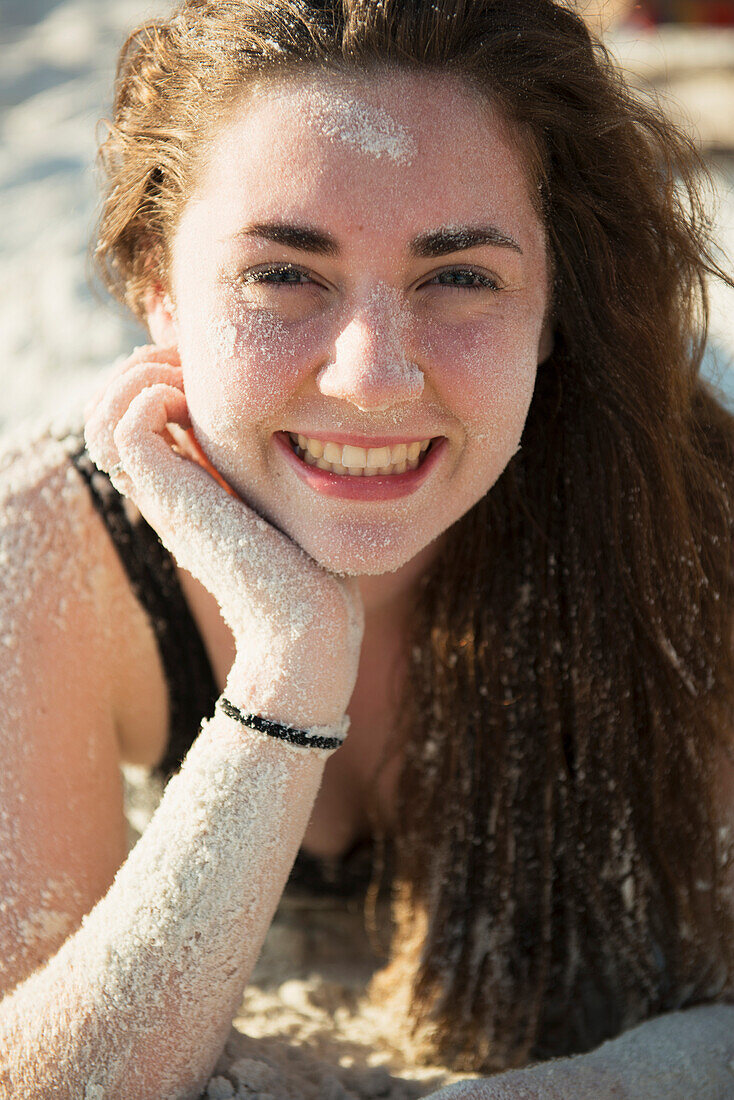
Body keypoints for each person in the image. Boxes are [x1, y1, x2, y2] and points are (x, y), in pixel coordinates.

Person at [1, 0, 734, 1095]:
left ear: (548, 309)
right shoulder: (53, 552)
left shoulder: (682, 522)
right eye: (283, 273)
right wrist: (289, 664)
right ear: (158, 286)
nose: (373, 375)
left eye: (459, 277)